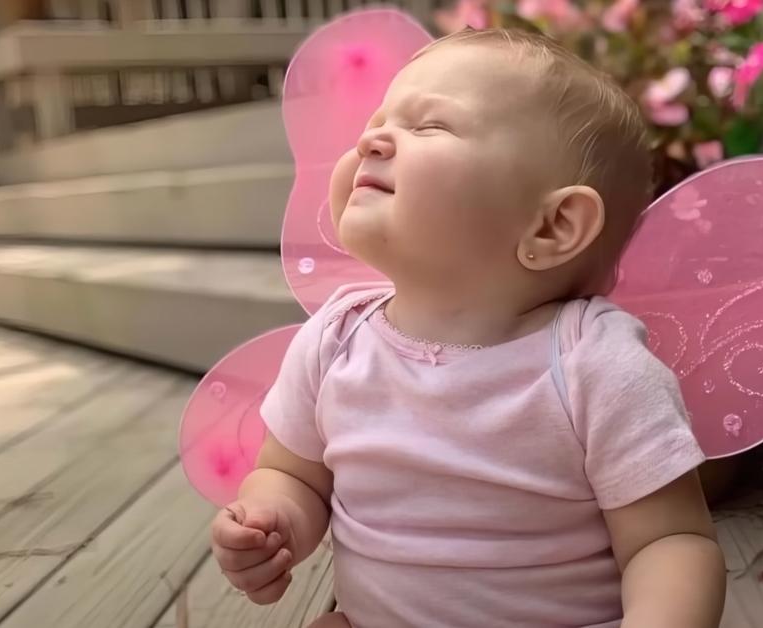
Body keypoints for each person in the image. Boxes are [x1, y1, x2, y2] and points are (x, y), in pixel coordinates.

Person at [210, 27, 729, 627]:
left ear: (553, 227)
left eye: (429, 126)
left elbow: (668, 543)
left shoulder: (594, 363)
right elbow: (292, 473)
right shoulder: (335, 342)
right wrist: (274, 521)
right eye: (376, 121)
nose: (373, 139)